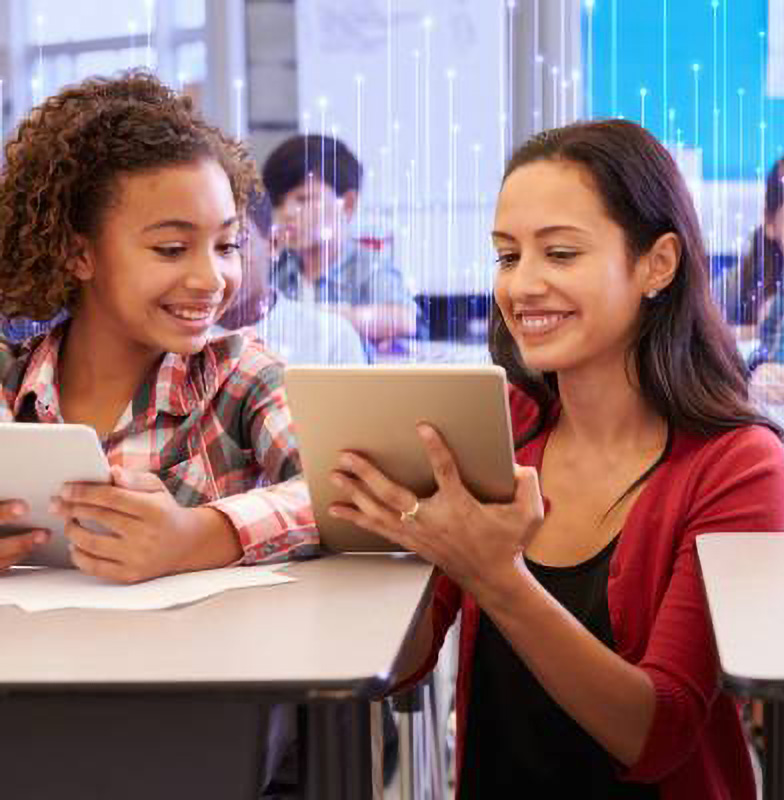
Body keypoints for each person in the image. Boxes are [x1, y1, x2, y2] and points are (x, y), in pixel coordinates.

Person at [327, 120, 784, 798]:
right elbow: (404, 664)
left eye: (561, 253)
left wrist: (496, 577)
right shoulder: (503, 426)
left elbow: (656, 733)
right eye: (508, 257)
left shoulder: (738, 466)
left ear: (658, 263)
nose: (523, 286)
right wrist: (384, 549)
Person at [0, 71, 318, 581]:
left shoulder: (242, 376)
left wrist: (197, 536)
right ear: (78, 254)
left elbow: (335, 495)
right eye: (172, 249)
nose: (211, 278)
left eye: (226, 245)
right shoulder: (11, 385)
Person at [262, 134, 418, 354]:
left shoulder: (367, 265)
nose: (286, 212)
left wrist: (312, 317)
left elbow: (403, 318)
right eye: (277, 202)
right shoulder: (277, 266)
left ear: (346, 204)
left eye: (303, 199)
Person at [213, 189, 368, 365]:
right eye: (184, 247)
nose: (212, 265)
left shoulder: (332, 338)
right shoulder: (179, 343)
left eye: (231, 244)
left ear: (273, 243)